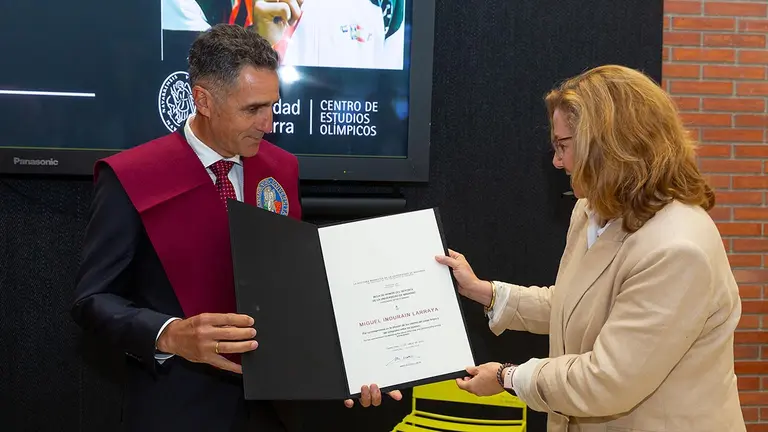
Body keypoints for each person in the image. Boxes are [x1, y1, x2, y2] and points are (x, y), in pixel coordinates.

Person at [71, 24, 397, 432]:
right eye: (252, 109)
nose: (269, 123)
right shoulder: (132, 177)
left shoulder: (282, 168)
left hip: (274, 411)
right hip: (175, 409)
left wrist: (356, 357)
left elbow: (295, 289)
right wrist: (170, 335)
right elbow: (93, 300)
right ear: (204, 100)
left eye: (273, 105)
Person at [436, 65, 746, 431]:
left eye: (564, 146)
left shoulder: (677, 248)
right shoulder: (592, 210)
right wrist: (484, 292)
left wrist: (509, 377)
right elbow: (574, 305)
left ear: (611, 145)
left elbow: (607, 380)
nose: (557, 161)